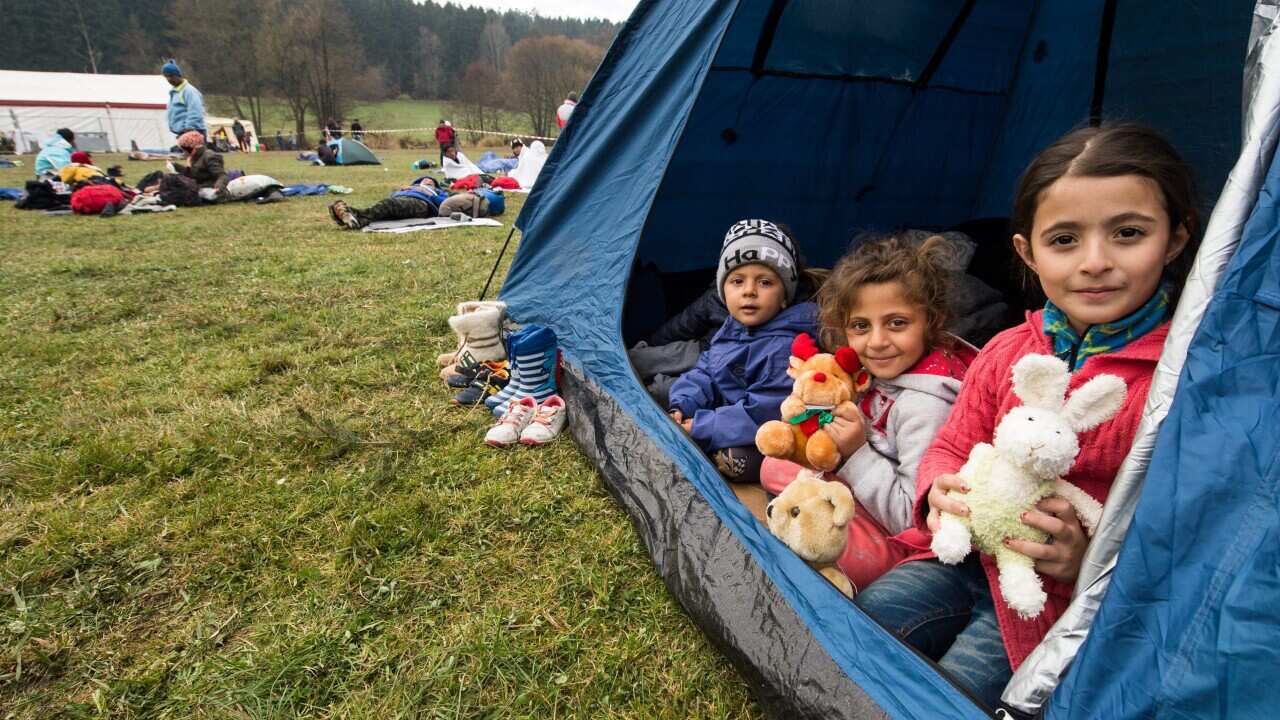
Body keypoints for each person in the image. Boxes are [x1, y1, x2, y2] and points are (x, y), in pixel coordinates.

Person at [854, 124, 1200, 708]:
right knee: (866, 620)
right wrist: (937, 491)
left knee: (956, 692)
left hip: (1045, 596)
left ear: (1174, 239)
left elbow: (1178, 531)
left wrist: (1084, 560)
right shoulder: (1010, 349)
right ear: (1027, 252)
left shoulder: (1178, 376)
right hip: (964, 556)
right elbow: (951, 445)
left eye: (1127, 233)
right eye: (1064, 240)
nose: (1095, 262)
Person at [759, 235, 976, 591]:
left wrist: (855, 453)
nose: (876, 342)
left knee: (854, 554)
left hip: (897, 538)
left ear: (930, 322)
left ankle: (817, 549)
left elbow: (913, 517)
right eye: (861, 326)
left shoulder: (926, 406)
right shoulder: (872, 375)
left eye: (896, 323)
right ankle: (805, 531)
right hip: (855, 495)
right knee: (773, 462)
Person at [667, 219, 817, 486]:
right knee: (670, 400)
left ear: (785, 296)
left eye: (765, 283)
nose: (749, 291)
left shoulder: (785, 346)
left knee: (740, 460)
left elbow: (762, 411)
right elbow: (706, 370)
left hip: (768, 427)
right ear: (723, 291)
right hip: (730, 414)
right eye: (737, 281)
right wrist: (683, 403)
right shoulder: (733, 326)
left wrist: (701, 427)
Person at [328, 176, 447, 230]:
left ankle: (351, 212)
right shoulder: (410, 187)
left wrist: (432, 195)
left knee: (388, 205)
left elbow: (446, 203)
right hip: (402, 200)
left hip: (421, 204)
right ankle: (355, 220)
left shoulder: (437, 191)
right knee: (383, 213)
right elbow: (394, 196)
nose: (427, 180)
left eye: (431, 180)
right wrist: (403, 191)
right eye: (424, 179)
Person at [172, 130, 228, 201]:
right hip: (198, 186)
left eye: (185, 148)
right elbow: (194, 175)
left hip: (209, 187)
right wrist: (176, 166)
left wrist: (218, 188)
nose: (184, 151)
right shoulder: (194, 157)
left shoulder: (209, 156)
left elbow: (221, 175)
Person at [162, 59, 207, 139]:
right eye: (167, 77)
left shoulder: (189, 91)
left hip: (193, 132)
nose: (169, 79)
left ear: (178, 75)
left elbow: (196, 111)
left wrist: (188, 128)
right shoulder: (175, 92)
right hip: (183, 133)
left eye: (171, 76)